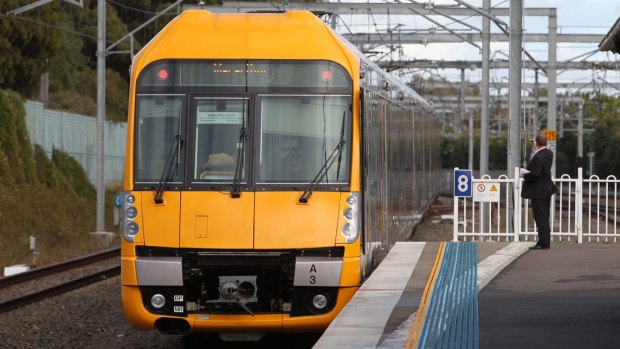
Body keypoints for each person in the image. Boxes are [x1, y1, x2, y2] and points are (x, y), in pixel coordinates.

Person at [520, 134, 555, 250]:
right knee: (545, 216)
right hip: (546, 189)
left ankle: (543, 243)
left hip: (538, 191)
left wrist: (524, 174)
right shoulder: (549, 154)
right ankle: (544, 241)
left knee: (540, 218)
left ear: (537, 144)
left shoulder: (538, 157)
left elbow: (535, 174)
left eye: (534, 142)